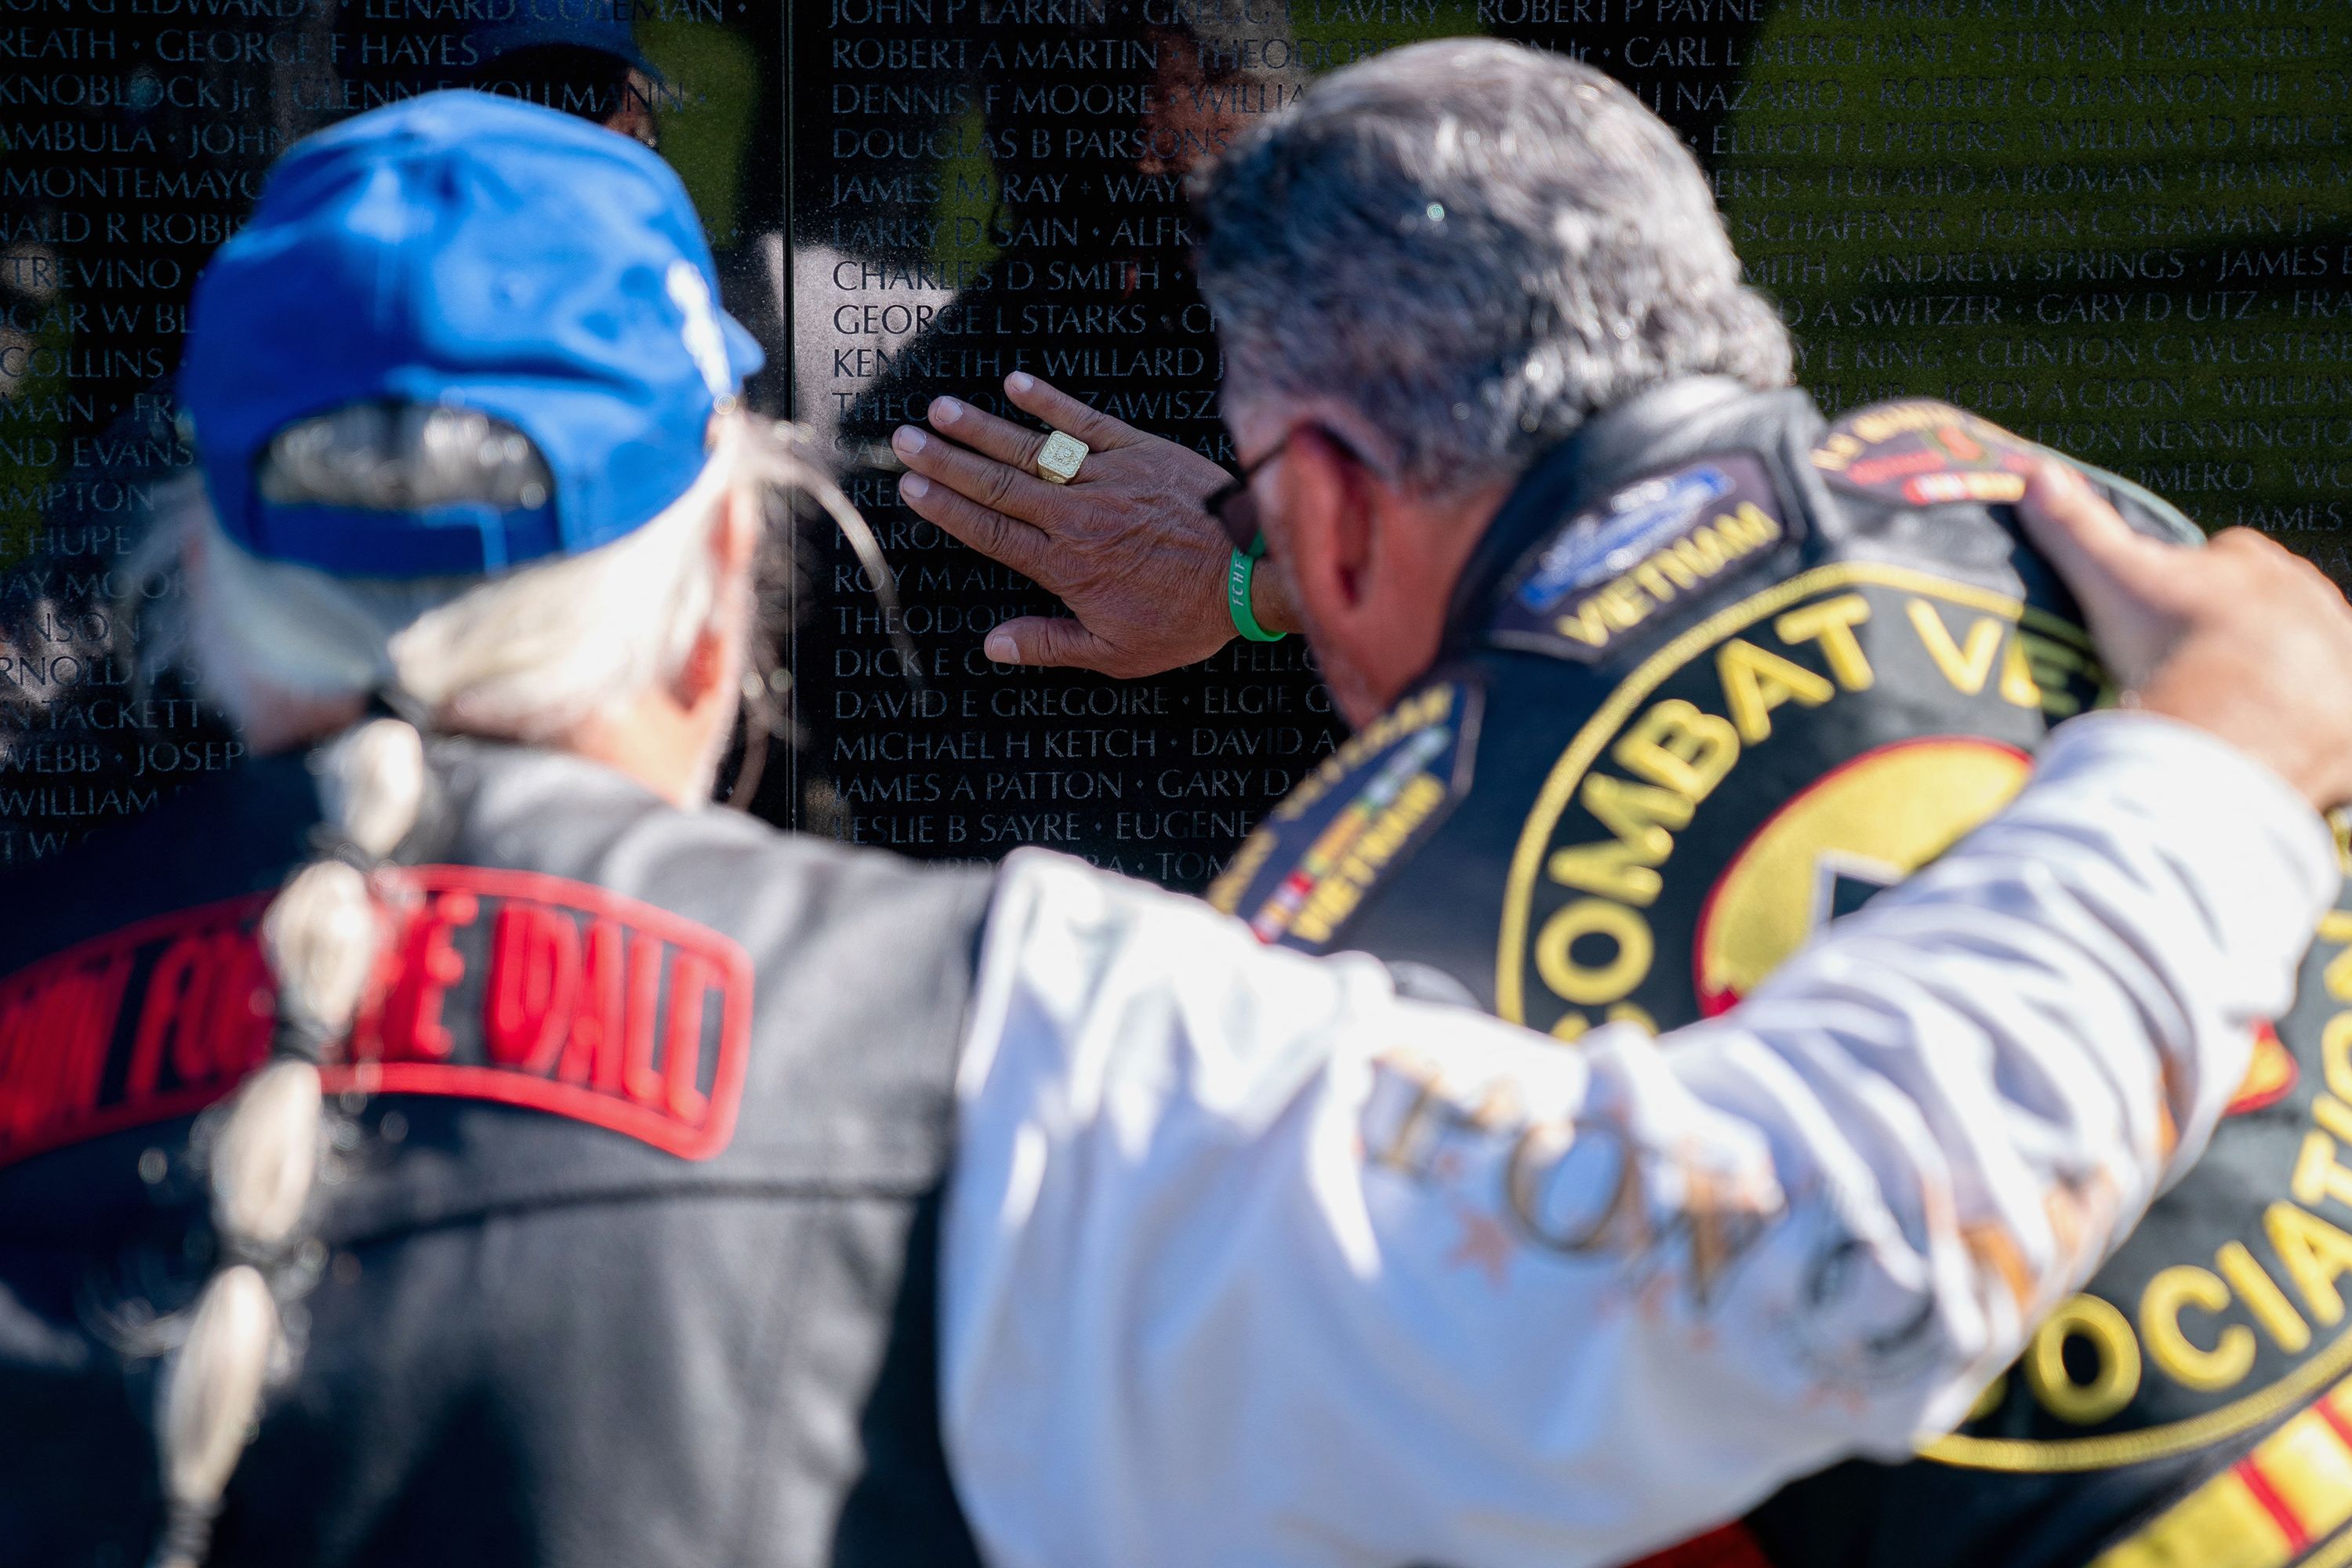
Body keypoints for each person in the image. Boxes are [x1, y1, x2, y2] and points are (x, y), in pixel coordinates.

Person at [4, 91, 2352, 1568]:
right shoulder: (1035, 1049)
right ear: (730, 581)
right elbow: (1823, 1252)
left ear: (189, 600)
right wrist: (2229, 746)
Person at [888, 38, 2352, 1568]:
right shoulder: (2066, 527)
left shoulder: (1332, 944)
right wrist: (1251, 581)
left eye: (1259, 494)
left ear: (1324, 507)